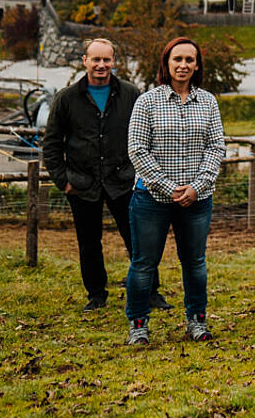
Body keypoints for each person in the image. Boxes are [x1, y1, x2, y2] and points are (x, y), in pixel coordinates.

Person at [42, 38, 170, 312]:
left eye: (106, 60)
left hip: (123, 182)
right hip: (82, 184)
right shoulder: (66, 98)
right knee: (89, 243)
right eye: (96, 59)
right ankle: (96, 295)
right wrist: (63, 181)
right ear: (84, 61)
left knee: (138, 240)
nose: (101, 65)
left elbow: (149, 135)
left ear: (114, 62)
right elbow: (51, 144)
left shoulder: (131, 94)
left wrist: (142, 175)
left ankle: (150, 293)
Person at [125, 36, 227, 345]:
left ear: (197, 66)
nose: (183, 65)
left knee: (194, 262)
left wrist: (197, 186)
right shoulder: (147, 102)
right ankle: (138, 325)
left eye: (189, 60)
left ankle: (196, 321)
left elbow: (216, 146)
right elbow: (137, 150)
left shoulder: (208, 102)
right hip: (152, 198)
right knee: (144, 263)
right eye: (177, 59)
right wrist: (170, 188)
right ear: (166, 64)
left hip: (197, 200)